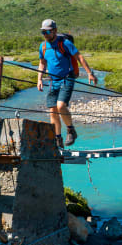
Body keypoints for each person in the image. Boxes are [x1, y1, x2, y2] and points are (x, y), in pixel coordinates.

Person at [37, 19, 97, 148]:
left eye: (47, 31)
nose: (45, 34)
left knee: (60, 106)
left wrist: (89, 73)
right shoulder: (43, 46)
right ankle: (57, 139)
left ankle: (71, 130)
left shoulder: (65, 43)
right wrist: (39, 79)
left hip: (67, 77)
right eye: (43, 32)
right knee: (52, 111)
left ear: (55, 31)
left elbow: (79, 57)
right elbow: (42, 62)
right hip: (53, 80)